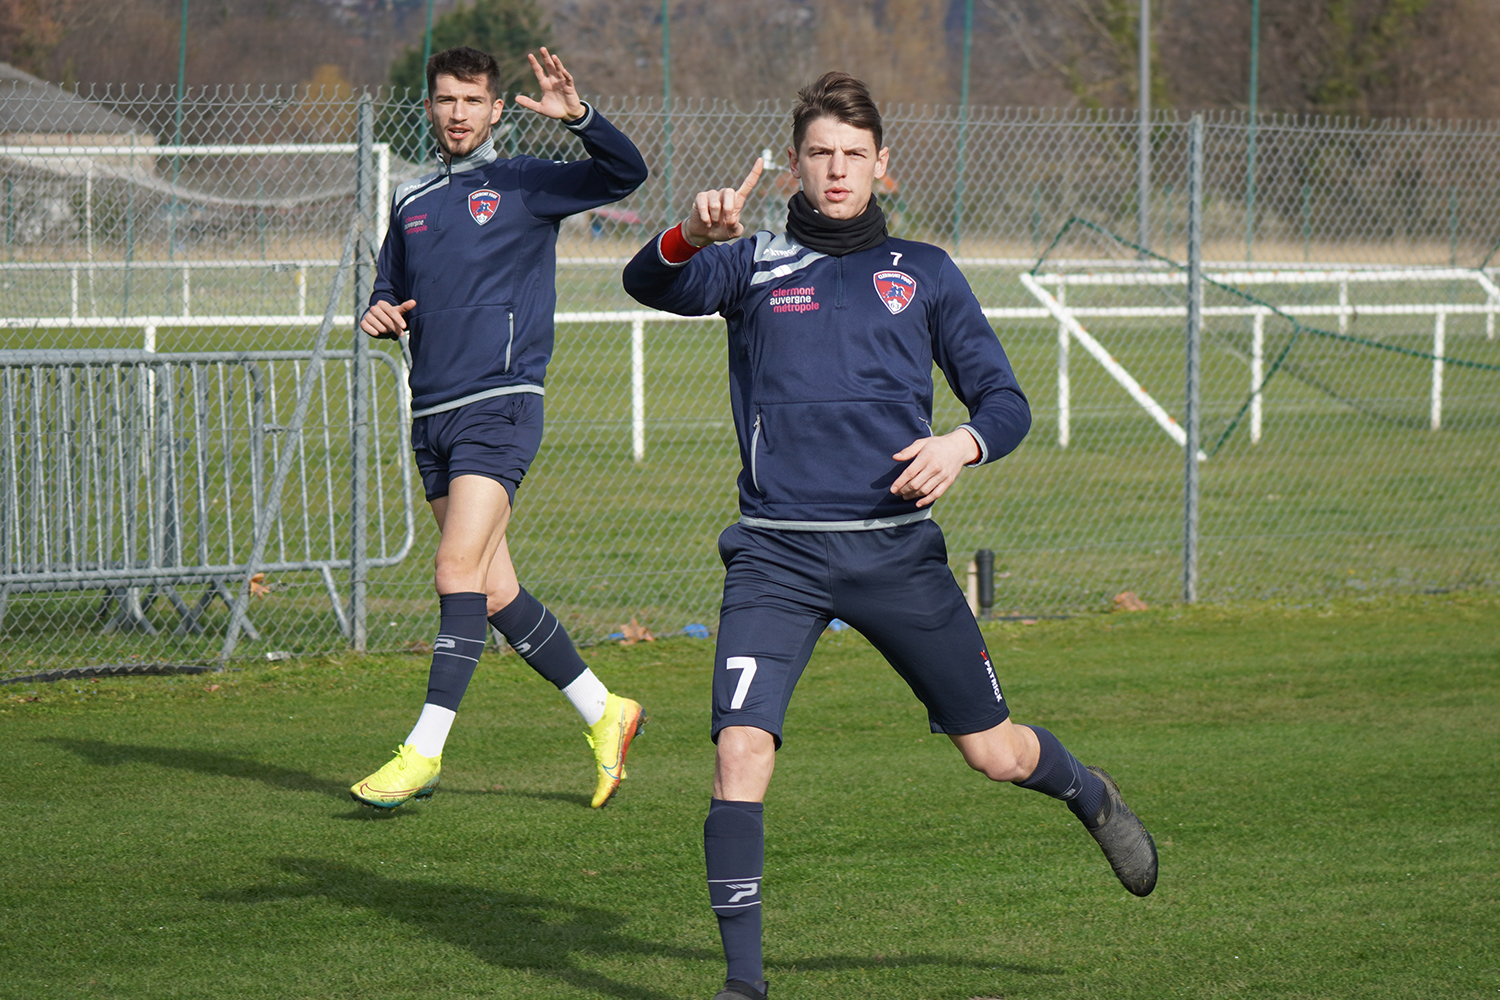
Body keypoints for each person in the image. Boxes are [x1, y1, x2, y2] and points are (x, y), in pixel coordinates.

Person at [622, 72, 1157, 1000]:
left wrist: (963, 442)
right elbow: (650, 282)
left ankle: (1086, 789)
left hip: (896, 554)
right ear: (795, 162)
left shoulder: (927, 274)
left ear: (882, 168)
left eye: (853, 156)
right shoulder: (750, 263)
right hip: (776, 556)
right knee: (738, 752)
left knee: (993, 754)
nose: (836, 170)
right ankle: (742, 986)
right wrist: (688, 234)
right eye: (820, 153)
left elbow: (1006, 401)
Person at [351, 45, 649, 811]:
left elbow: (626, 175)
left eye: (471, 100)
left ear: (494, 109)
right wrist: (378, 314)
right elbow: (388, 292)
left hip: (501, 405)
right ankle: (605, 711)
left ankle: (424, 750)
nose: (457, 113)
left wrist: (579, 118)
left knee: (454, 572)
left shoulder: (526, 182)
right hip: (433, 415)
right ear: (430, 106)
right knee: (491, 590)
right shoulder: (412, 203)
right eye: (445, 99)